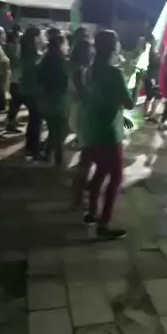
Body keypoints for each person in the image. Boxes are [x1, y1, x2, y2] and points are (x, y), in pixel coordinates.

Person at [83, 29, 134, 239]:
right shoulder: (114, 73)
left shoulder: (91, 70)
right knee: (116, 177)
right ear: (113, 47)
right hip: (110, 132)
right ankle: (103, 224)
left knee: (100, 171)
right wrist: (138, 81)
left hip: (93, 128)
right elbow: (129, 103)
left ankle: (91, 212)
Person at [37, 32, 70, 167]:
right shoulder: (64, 63)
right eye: (66, 44)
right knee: (60, 131)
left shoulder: (44, 61)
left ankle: (48, 153)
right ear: (60, 46)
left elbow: (39, 80)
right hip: (60, 100)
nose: (67, 46)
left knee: (53, 129)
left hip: (45, 100)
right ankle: (58, 159)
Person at [69, 38, 93, 207]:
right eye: (90, 51)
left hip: (78, 111)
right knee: (87, 154)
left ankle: (80, 185)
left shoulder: (76, 68)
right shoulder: (80, 71)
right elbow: (84, 93)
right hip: (82, 113)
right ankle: (78, 193)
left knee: (87, 153)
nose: (93, 54)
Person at [20, 26, 43, 160]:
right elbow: (34, 73)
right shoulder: (33, 53)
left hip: (27, 89)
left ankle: (30, 147)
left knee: (34, 119)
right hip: (33, 90)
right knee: (36, 120)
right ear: (35, 38)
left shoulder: (26, 50)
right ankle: (34, 150)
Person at [5, 26, 23, 133]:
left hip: (13, 78)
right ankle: (10, 123)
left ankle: (12, 121)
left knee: (15, 102)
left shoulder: (9, 47)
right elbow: (15, 62)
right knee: (15, 102)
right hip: (15, 78)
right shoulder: (12, 48)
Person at [143, 35, 162, 122]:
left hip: (151, 77)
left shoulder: (152, 52)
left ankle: (146, 112)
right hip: (152, 77)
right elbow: (158, 61)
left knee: (150, 95)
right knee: (158, 95)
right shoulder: (153, 53)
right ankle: (152, 115)